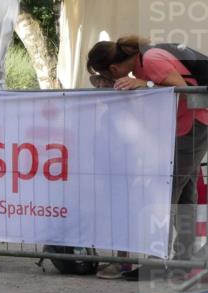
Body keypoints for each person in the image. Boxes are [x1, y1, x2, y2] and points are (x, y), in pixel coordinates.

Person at [86, 37, 208, 277]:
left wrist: (145, 84)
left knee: (165, 191)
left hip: (195, 122)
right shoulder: (147, 56)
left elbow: (181, 89)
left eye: (106, 78)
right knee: (183, 192)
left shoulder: (150, 60)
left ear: (112, 69)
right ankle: (183, 261)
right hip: (190, 123)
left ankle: (157, 262)